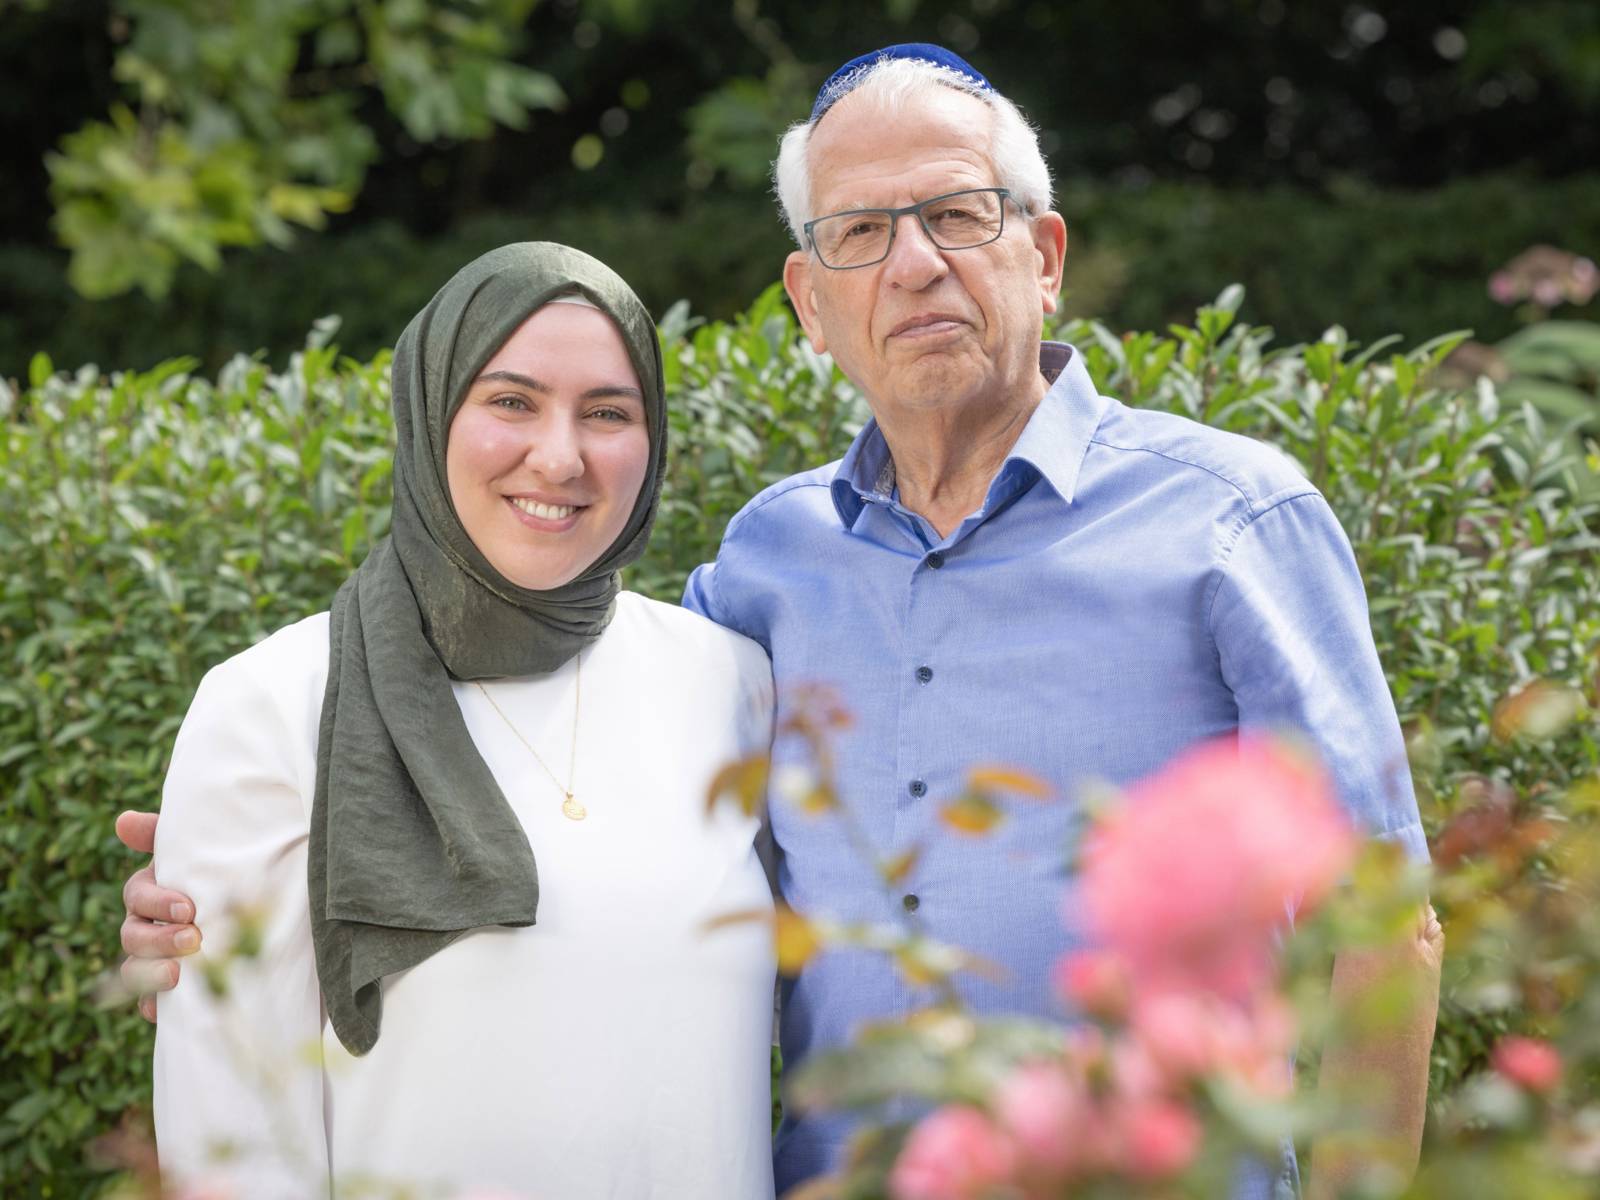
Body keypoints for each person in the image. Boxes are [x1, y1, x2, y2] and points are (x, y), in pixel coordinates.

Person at [121, 44, 1443, 1200]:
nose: (914, 264)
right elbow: (612, 810)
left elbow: (1388, 920)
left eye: (958, 215)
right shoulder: (764, 575)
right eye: (861, 232)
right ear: (813, 307)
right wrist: (250, 882)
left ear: (1043, 260)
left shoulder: (1230, 524)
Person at [142, 242, 779, 1198]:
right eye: (511, 401)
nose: (560, 456)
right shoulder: (274, 703)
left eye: (608, 412)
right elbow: (230, 1130)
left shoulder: (731, 682)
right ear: (428, 411)